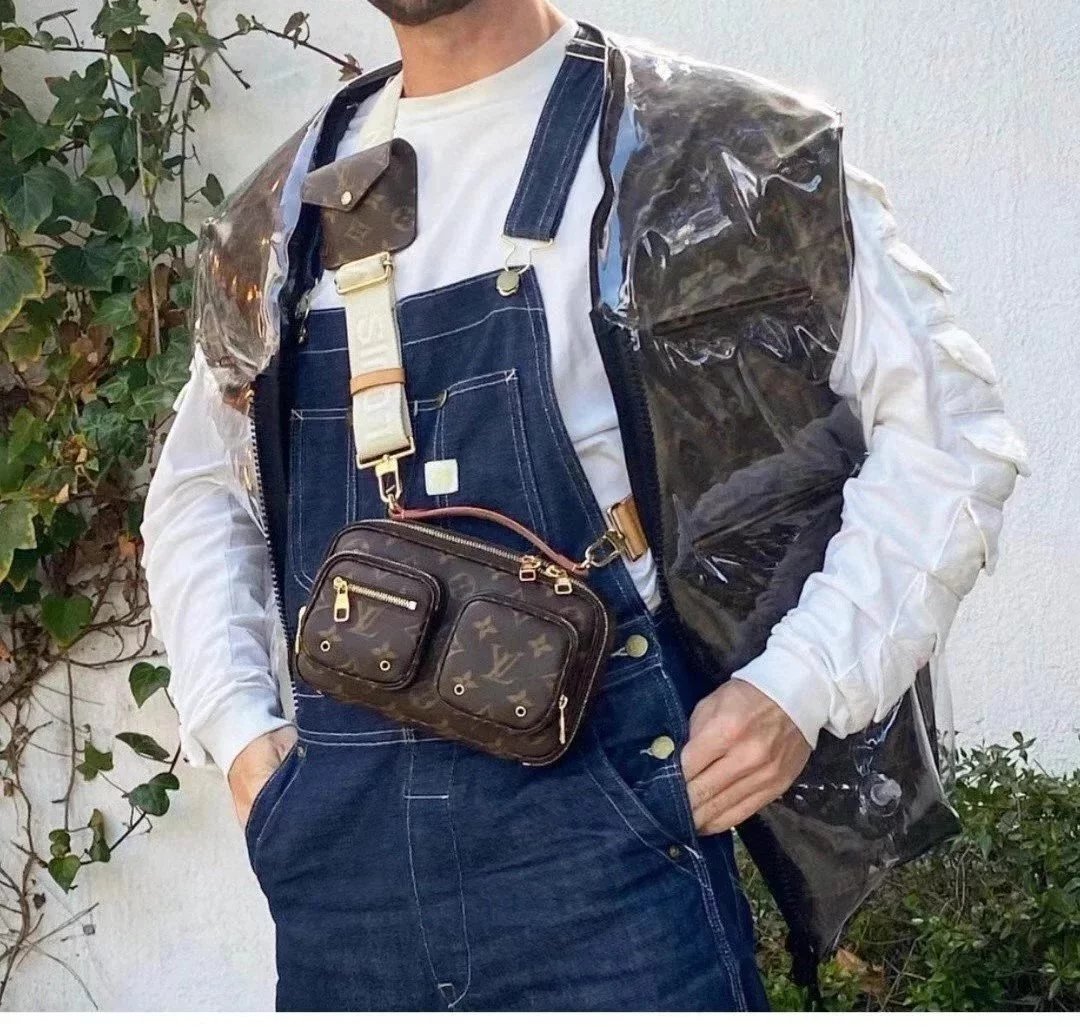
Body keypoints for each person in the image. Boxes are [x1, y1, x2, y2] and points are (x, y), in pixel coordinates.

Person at [141, 0, 1028, 1011]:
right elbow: (199, 489)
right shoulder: (284, 213)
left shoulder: (710, 149)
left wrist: (801, 682)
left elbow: (949, 431)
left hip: (610, 866)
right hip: (345, 898)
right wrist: (239, 733)